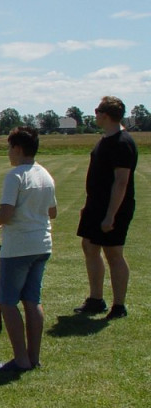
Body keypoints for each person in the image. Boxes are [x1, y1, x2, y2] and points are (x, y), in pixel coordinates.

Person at [0, 126, 58, 373]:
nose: (8, 153)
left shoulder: (15, 176)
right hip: (42, 245)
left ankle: (20, 359)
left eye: (9, 147)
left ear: (17, 149)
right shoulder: (46, 175)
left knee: (7, 302)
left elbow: (5, 214)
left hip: (18, 248)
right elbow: (53, 212)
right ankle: (34, 357)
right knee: (32, 300)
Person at [74, 96, 137, 320]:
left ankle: (118, 306)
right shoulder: (105, 139)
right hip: (96, 206)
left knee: (113, 253)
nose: (95, 114)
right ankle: (96, 299)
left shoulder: (122, 143)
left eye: (98, 111)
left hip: (114, 208)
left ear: (106, 114)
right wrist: (88, 206)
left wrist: (111, 215)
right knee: (90, 246)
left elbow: (121, 182)